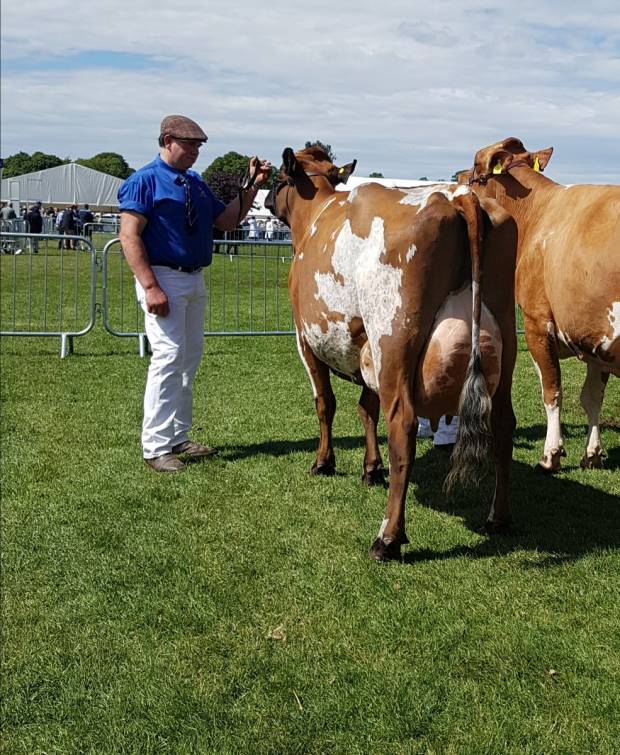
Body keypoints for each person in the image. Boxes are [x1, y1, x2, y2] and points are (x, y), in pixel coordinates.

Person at [118, 114, 271, 472]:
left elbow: (228, 221)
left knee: (188, 359)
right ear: (167, 140)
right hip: (162, 276)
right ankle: (156, 445)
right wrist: (150, 286)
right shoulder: (143, 181)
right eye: (189, 145)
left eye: (199, 146)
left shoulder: (195, 183)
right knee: (169, 357)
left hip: (192, 277)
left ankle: (177, 435)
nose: (195, 152)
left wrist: (250, 185)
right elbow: (129, 235)